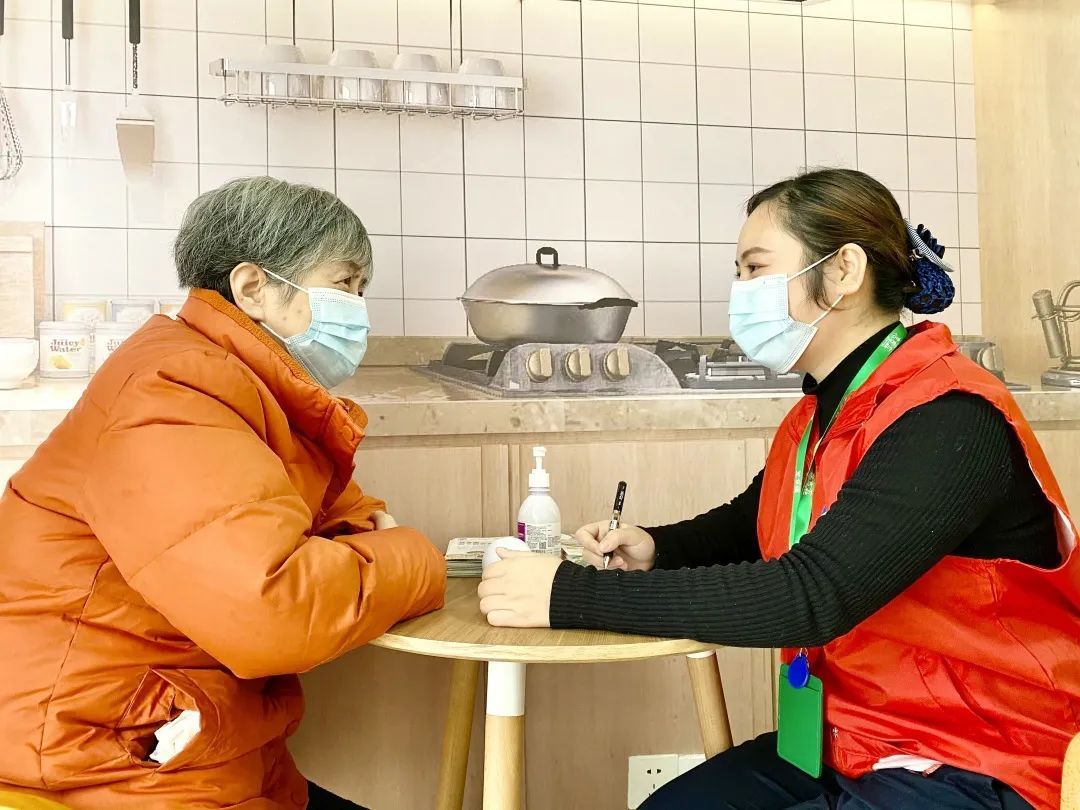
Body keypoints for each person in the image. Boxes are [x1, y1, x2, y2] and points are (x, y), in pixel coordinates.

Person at [478, 169, 1080, 810]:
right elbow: (755, 521)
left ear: (843, 271)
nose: (741, 292)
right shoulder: (821, 413)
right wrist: (657, 547)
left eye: (756, 269)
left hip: (980, 758)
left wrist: (570, 595)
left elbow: (813, 593)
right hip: (851, 736)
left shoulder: (950, 418)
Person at [0, 177, 447, 809]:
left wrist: (362, 542)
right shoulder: (173, 390)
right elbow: (273, 612)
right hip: (108, 759)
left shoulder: (235, 380)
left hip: (172, 736)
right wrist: (420, 558)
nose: (359, 309)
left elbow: (329, 514)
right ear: (253, 288)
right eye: (345, 283)